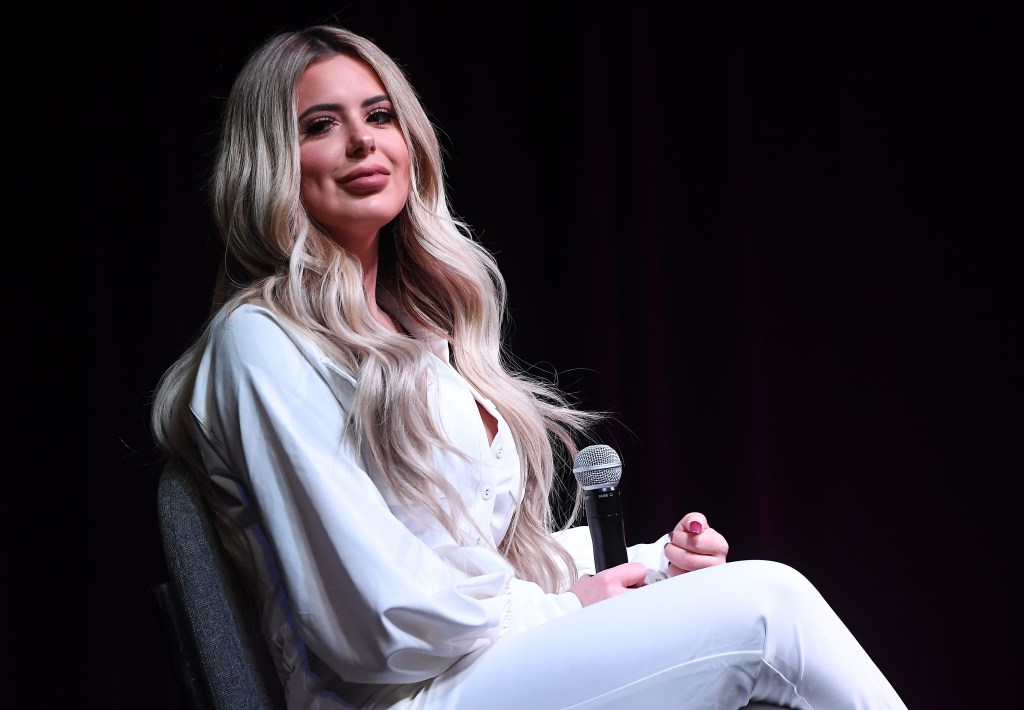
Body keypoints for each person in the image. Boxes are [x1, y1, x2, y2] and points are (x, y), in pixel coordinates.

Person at [150, 24, 907, 709]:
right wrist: (570, 607)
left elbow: (476, 564)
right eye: (321, 125)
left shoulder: (417, 330)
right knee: (771, 610)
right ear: (273, 161)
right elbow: (377, 621)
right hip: (406, 699)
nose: (361, 142)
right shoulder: (261, 341)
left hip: (482, 669)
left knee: (752, 601)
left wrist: (652, 569)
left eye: (379, 116)